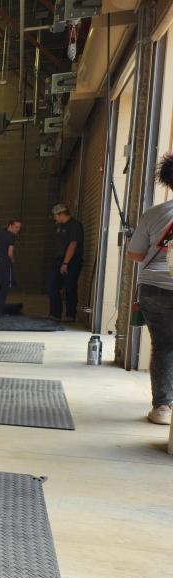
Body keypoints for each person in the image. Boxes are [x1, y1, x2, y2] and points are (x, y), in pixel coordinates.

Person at [126, 153, 173, 426]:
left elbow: (135, 254)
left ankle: (162, 407)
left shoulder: (154, 213)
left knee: (165, 346)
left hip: (154, 287)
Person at [49, 203, 84, 322]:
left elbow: (73, 244)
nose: (54, 218)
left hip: (72, 261)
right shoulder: (59, 226)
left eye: (55, 215)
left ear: (62, 214)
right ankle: (55, 314)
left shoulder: (75, 226)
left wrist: (65, 263)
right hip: (59, 260)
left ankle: (70, 315)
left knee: (70, 287)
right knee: (52, 286)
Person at [0, 219, 21, 319]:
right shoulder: (12, 236)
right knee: (4, 287)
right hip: (4, 263)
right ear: (10, 225)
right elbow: (10, 252)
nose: (17, 229)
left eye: (19, 228)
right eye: (16, 227)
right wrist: (12, 259)